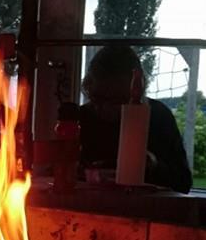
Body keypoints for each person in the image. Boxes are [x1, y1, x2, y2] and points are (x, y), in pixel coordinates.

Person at [77, 45, 191, 193]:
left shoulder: (158, 118)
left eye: (117, 101)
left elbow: (183, 183)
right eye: (97, 98)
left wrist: (153, 164)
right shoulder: (82, 118)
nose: (105, 107)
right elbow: (54, 172)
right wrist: (85, 174)